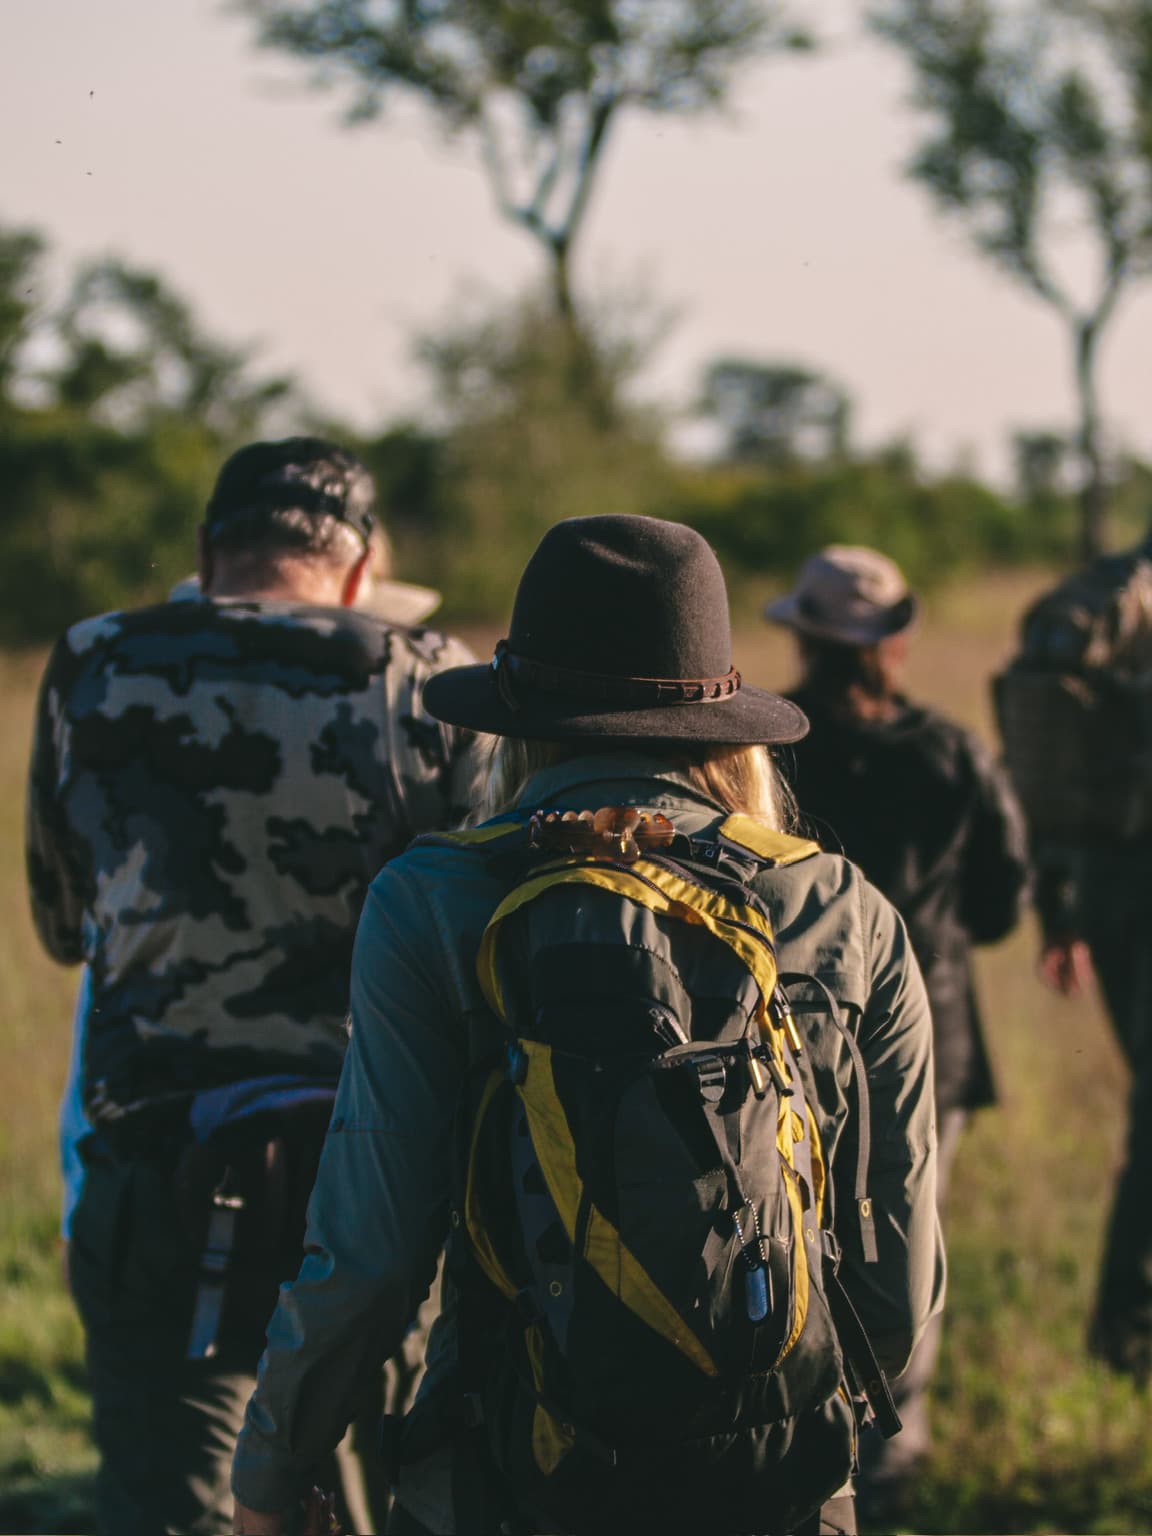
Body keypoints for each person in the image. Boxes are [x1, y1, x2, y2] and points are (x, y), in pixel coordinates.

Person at [230, 514, 944, 1536]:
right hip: (776, 1485)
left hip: (507, 1472)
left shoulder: (437, 894)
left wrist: (276, 1462)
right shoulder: (839, 905)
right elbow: (899, 1286)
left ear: (520, 713)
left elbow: (372, 1251)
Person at [26, 437, 488, 1536]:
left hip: (155, 1174)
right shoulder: (428, 677)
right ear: (363, 566)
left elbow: (60, 925)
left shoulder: (92, 664)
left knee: (171, 1502)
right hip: (374, 1180)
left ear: (206, 552)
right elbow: (474, 941)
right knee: (383, 1488)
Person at [765, 544, 1029, 1511]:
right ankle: (891, 1456)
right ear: (900, 640)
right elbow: (1001, 906)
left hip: (786, 1041)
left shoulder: (771, 752)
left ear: (801, 633)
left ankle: (794, 1442)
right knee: (905, 1240)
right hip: (933, 1044)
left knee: (786, 1231)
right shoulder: (954, 751)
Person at [998, 529, 1152, 1387]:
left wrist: (1060, 906)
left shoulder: (1101, 593)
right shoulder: (1131, 602)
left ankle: (1125, 1330)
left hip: (1106, 880)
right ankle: (1125, 1333)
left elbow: (1051, 749)